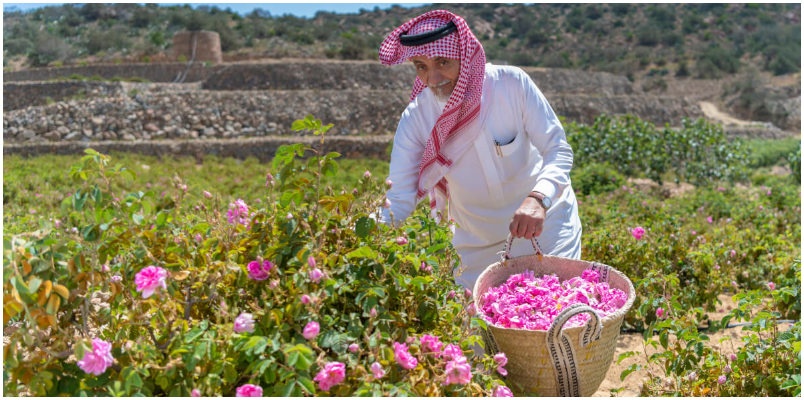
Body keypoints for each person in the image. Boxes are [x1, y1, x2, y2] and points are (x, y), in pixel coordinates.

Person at [377, 10, 582, 292]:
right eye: (421, 66)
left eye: (442, 62)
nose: (432, 78)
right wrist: (351, 237)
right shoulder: (417, 119)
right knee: (481, 333)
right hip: (474, 247)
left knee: (554, 319)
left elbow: (557, 149)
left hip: (546, 227)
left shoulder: (511, 84)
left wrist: (538, 198)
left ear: (465, 54)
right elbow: (400, 197)